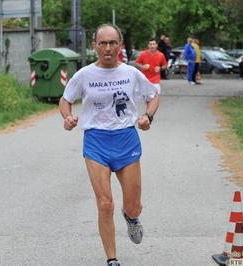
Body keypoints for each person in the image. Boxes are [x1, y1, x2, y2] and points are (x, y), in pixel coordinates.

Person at [58, 24, 159, 266]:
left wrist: (148, 117)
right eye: (102, 43)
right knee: (105, 204)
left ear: (120, 46)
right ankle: (112, 259)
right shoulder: (83, 75)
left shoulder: (131, 73)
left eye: (112, 42)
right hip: (96, 142)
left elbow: (153, 95)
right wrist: (67, 117)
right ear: (94, 47)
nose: (107, 48)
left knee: (133, 206)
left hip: (126, 140)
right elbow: (65, 99)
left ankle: (131, 218)